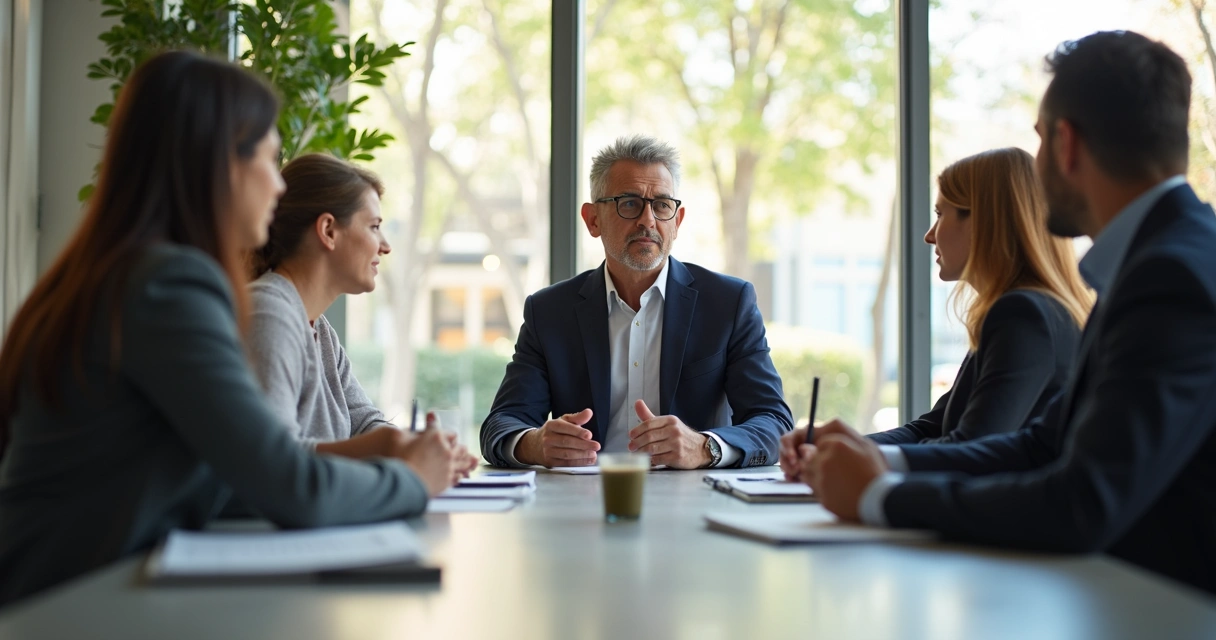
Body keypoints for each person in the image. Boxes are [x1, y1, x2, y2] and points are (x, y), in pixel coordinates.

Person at [0, 51, 460, 607]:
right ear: (218, 165)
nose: (277, 185)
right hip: (71, 606)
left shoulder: (123, 272)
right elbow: (289, 484)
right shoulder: (169, 286)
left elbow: (234, 478)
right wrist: (414, 480)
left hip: (77, 591)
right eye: (268, 159)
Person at [788, 31, 1216, 594]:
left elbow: (1082, 502)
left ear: (1065, 145)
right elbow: (1042, 443)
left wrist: (877, 495)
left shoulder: (1172, 276)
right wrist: (878, 462)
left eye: (1038, 143)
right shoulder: (1154, 262)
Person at [481, 135, 793, 469]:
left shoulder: (728, 304)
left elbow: (774, 422)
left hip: (694, 502)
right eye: (629, 203)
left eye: (661, 205)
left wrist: (704, 447)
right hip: (582, 502)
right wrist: (534, 444)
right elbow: (502, 424)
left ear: (677, 220)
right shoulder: (549, 312)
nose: (648, 220)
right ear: (592, 220)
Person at [247, 153, 477, 477]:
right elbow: (274, 461)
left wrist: (414, 447)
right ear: (328, 230)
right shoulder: (268, 314)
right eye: (374, 226)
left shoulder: (319, 328)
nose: (385, 246)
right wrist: (390, 447)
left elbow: (365, 423)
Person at [856, 148, 1090, 447]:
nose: (930, 235)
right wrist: (841, 446)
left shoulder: (1022, 314)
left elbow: (969, 447)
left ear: (984, 221)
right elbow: (931, 428)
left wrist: (860, 457)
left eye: (940, 214)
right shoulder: (1024, 308)